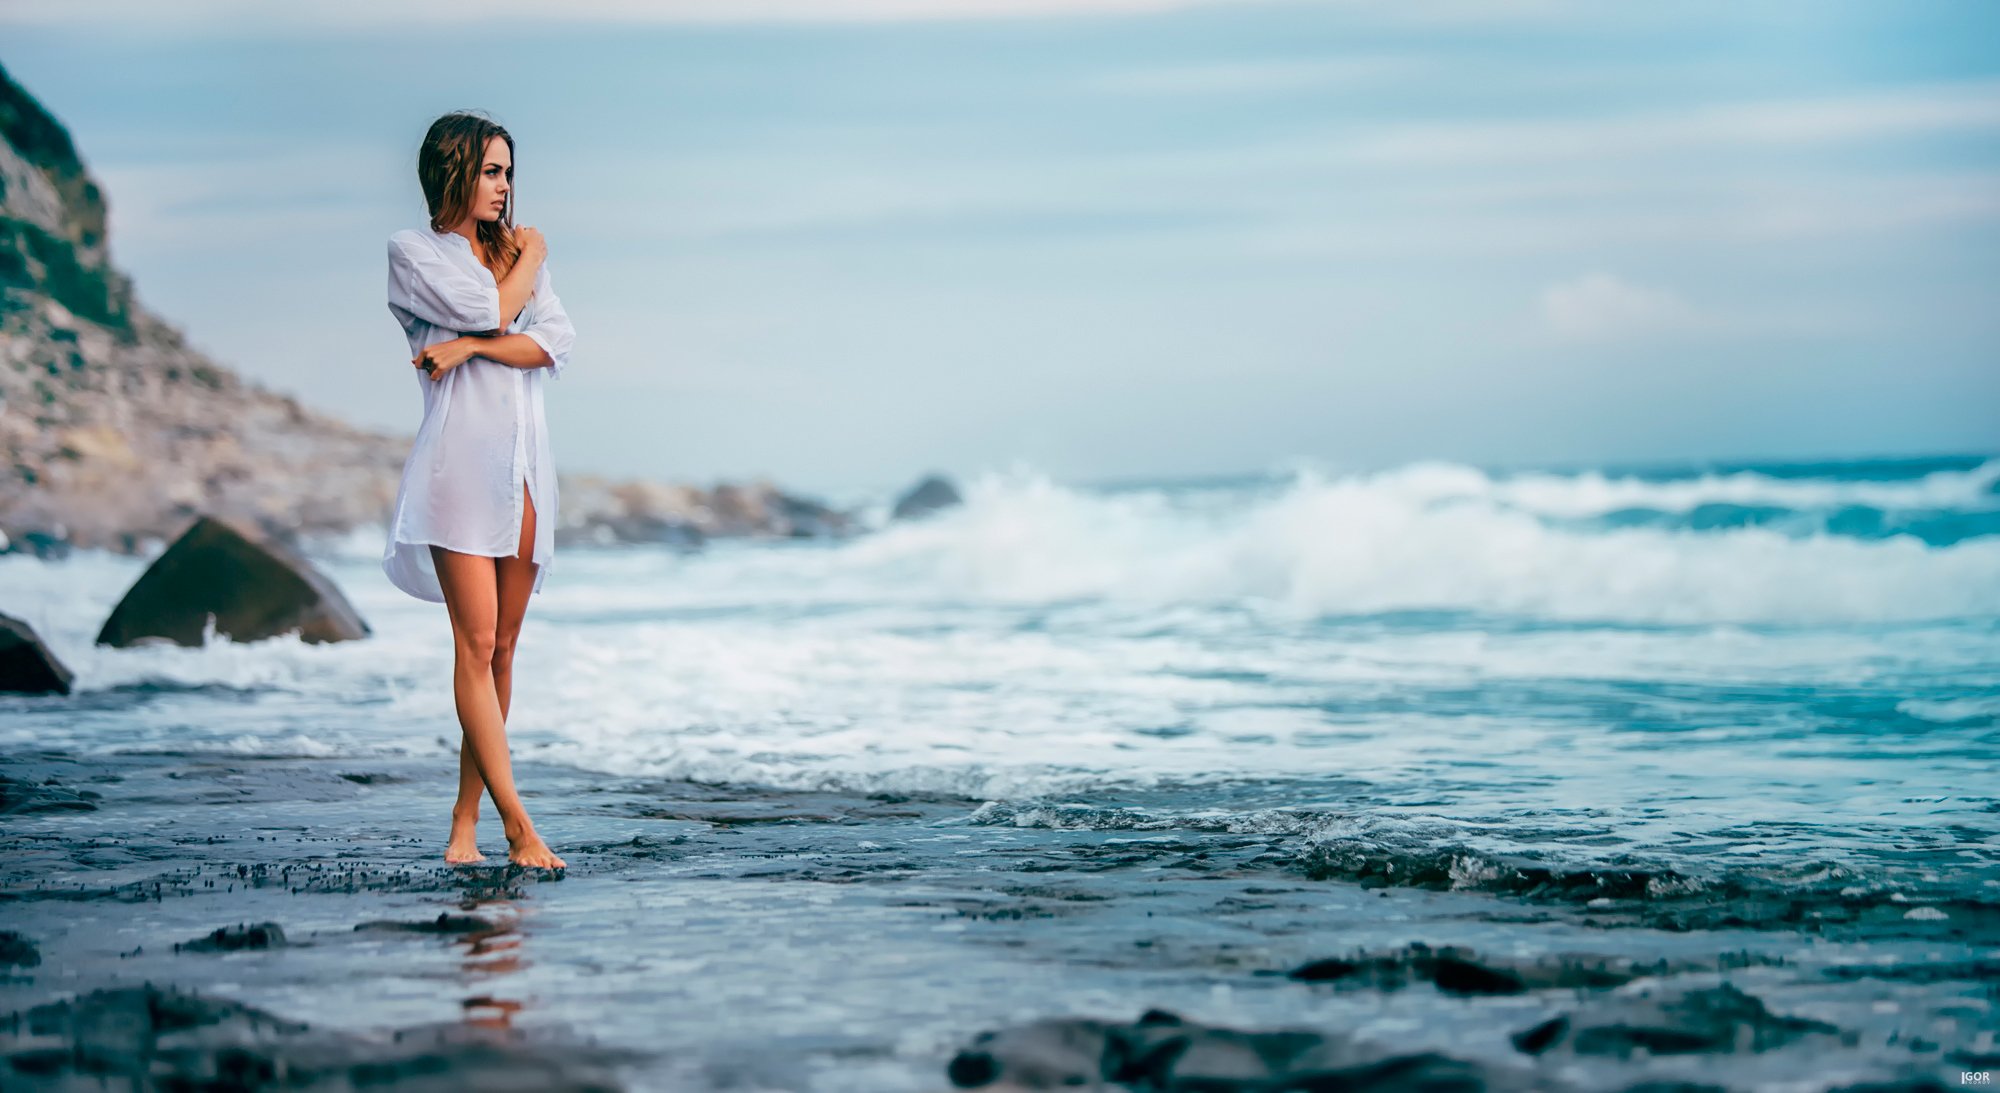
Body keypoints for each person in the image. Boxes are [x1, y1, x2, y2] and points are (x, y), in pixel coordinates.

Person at [382, 111, 575, 869]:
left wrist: (468, 348)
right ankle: (520, 829)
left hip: (527, 465)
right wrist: (534, 255)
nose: (504, 187)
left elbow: (554, 340)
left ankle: (464, 823)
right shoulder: (413, 252)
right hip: (459, 465)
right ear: (455, 171)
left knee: (502, 652)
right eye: (491, 171)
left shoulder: (514, 256)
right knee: (473, 642)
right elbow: (491, 309)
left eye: (508, 172)